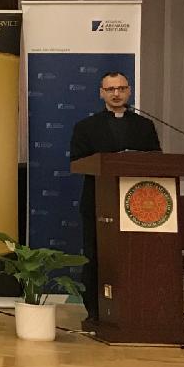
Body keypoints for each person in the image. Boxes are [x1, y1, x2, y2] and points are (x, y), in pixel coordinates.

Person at [68, 71, 161, 323]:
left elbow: (157, 159)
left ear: (129, 91)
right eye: (110, 89)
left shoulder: (144, 125)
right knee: (97, 256)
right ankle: (95, 312)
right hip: (99, 202)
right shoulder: (86, 127)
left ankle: (139, 309)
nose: (116, 94)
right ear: (101, 93)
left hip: (139, 203)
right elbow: (77, 162)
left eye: (121, 88)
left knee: (137, 256)